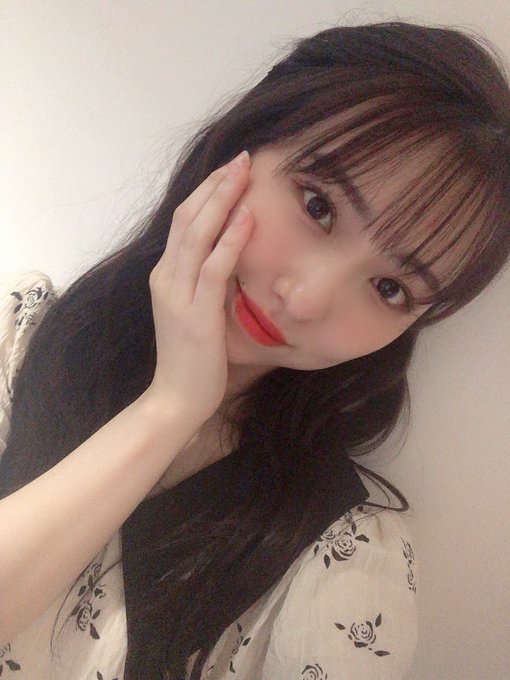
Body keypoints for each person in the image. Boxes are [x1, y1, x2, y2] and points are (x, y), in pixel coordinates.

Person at [0, 19, 509, 680]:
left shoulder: (343, 564)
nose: (304, 299)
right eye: (318, 206)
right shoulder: (19, 335)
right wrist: (169, 407)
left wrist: (179, 404)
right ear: (242, 143)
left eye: (390, 288)